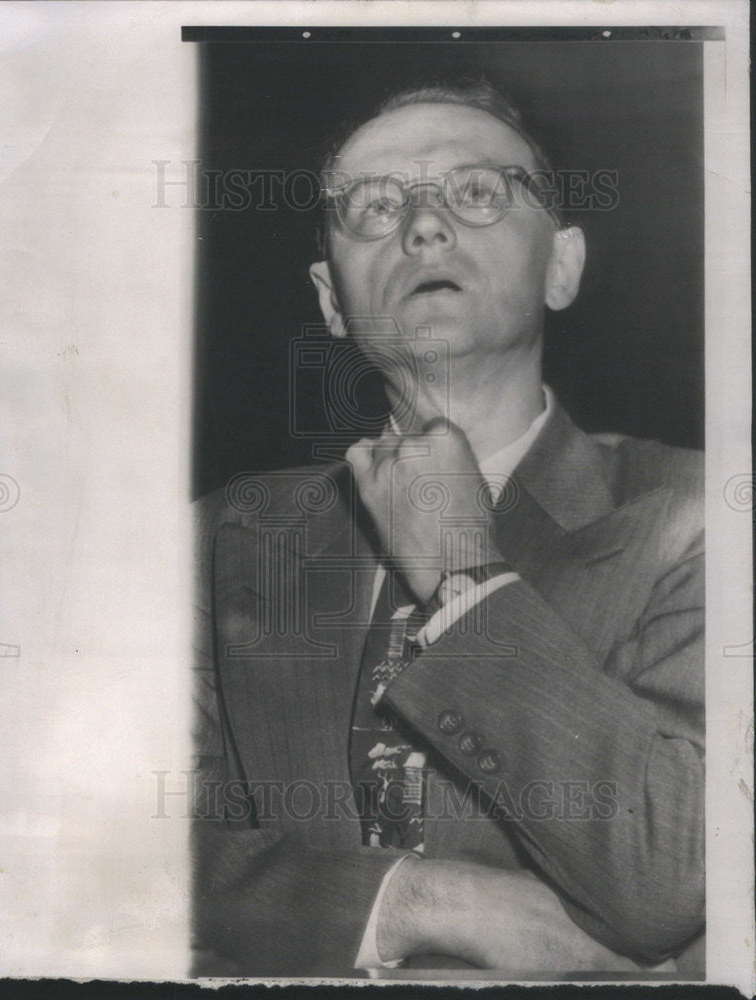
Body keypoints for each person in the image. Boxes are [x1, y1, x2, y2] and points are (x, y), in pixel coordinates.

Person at [192, 80, 704, 978]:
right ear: (330, 299)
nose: (422, 228)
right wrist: (416, 903)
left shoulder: (700, 516)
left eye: (477, 194)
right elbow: (94, 838)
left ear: (563, 266)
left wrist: (467, 578)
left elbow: (679, 870)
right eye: (375, 207)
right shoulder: (219, 538)